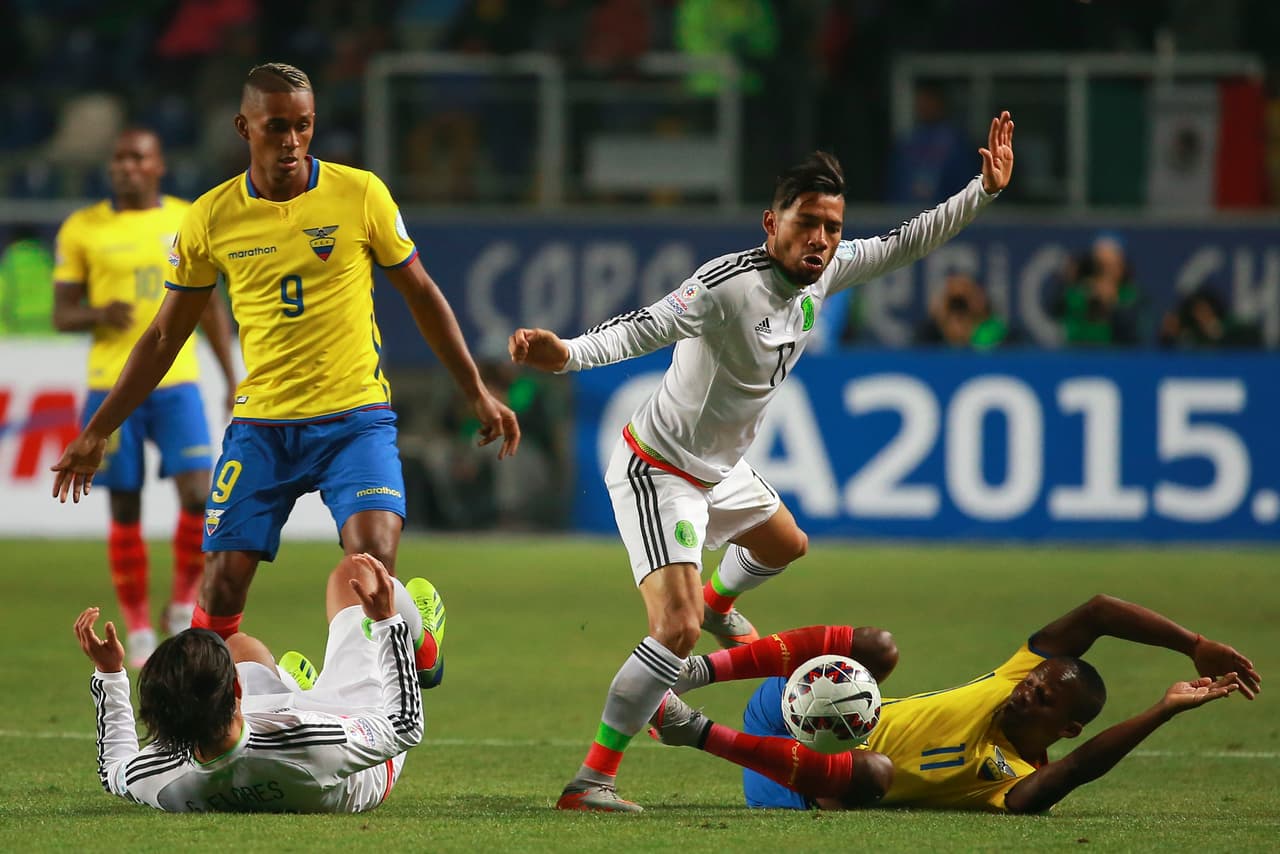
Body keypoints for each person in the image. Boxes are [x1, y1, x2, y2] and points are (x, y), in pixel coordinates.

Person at [510, 112, 1016, 812]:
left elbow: (909, 241)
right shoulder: (725, 286)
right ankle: (592, 779)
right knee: (673, 629)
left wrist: (982, 191)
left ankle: (719, 607)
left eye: (832, 227)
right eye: (807, 223)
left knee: (784, 542)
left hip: (722, 471)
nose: (821, 240)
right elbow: (641, 327)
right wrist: (564, 354)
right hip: (660, 471)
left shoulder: (827, 272)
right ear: (769, 223)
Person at [51, 63, 519, 681]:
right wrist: (99, 427)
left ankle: (411, 644)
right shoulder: (211, 217)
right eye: (277, 128)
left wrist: (476, 392)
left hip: (354, 419)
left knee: (370, 561)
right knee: (220, 590)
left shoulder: (361, 194)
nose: (292, 142)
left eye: (304, 126)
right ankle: (220, 723)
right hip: (263, 428)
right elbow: (166, 334)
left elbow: (423, 294)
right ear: (244, 127)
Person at [650, 594, 1261, 813]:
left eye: (1042, 697)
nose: (1026, 689)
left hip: (792, 781)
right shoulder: (1016, 677)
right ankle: (716, 662)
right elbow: (1099, 611)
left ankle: (694, 730)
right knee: (880, 649)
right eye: (1033, 679)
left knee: (873, 773)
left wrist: (1161, 708)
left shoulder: (1014, 780)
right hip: (796, 708)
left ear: (1066, 727)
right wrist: (1195, 644)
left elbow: (1077, 772)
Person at [51, 127, 237, 668]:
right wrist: (97, 314)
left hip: (177, 382)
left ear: (159, 166)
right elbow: (62, 312)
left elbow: (209, 308)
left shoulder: (187, 217)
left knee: (200, 495)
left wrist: (229, 376)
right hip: (111, 385)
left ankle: (180, 606)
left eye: (138, 158)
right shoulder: (83, 228)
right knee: (124, 503)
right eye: (119, 158)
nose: (126, 166)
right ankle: (135, 628)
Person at [76, 553, 445, 813]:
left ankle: (292, 687)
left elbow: (114, 771)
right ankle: (425, 651)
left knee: (238, 646)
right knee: (357, 573)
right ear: (235, 690)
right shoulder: (311, 742)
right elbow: (404, 726)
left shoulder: (160, 774)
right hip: (357, 742)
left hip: (269, 728)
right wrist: (387, 625)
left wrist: (109, 673)